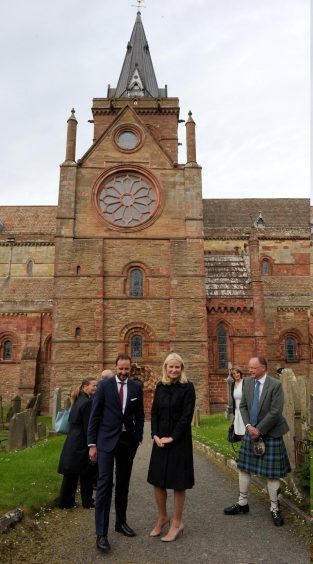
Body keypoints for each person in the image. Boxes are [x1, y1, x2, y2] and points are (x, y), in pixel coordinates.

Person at [224, 356, 291, 526]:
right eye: (249, 368)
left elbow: (276, 412)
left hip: (271, 433)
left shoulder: (275, 385)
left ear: (263, 367)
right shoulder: (247, 383)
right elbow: (243, 406)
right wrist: (248, 426)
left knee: (272, 474)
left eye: (253, 368)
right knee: (244, 468)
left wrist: (259, 429)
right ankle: (242, 503)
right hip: (250, 431)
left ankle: (275, 508)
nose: (250, 371)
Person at [88, 354, 144, 553]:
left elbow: (139, 414)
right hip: (105, 442)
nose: (123, 372)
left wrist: (138, 437)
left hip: (127, 443)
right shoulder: (104, 386)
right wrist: (92, 444)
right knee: (104, 485)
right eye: (120, 368)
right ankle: (101, 534)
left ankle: (121, 523)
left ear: (130, 369)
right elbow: (94, 416)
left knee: (123, 484)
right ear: (116, 367)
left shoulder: (137, 387)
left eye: (126, 369)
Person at [147, 353, 196, 542]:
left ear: (181, 368)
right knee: (158, 480)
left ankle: (177, 522)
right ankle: (162, 516)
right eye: (171, 367)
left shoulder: (187, 387)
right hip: (160, 440)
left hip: (179, 441)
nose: (174, 370)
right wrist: (155, 435)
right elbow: (154, 412)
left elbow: (186, 416)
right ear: (165, 368)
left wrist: (172, 437)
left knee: (178, 482)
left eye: (177, 367)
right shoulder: (160, 386)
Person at [57, 377, 98, 509]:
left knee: (72, 473)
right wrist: (92, 443)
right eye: (93, 385)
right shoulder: (87, 402)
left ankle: (67, 502)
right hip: (81, 441)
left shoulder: (79, 399)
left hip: (74, 439)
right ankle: (85, 502)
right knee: (86, 472)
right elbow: (88, 426)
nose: (95, 388)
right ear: (85, 386)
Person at [231, 366, 245, 437]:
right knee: (238, 431)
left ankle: (248, 447)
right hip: (237, 411)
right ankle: (243, 447)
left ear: (240, 373)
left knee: (245, 431)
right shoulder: (233, 384)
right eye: (234, 374)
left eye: (237, 373)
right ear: (232, 375)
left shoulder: (244, 383)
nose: (236, 375)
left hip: (244, 411)